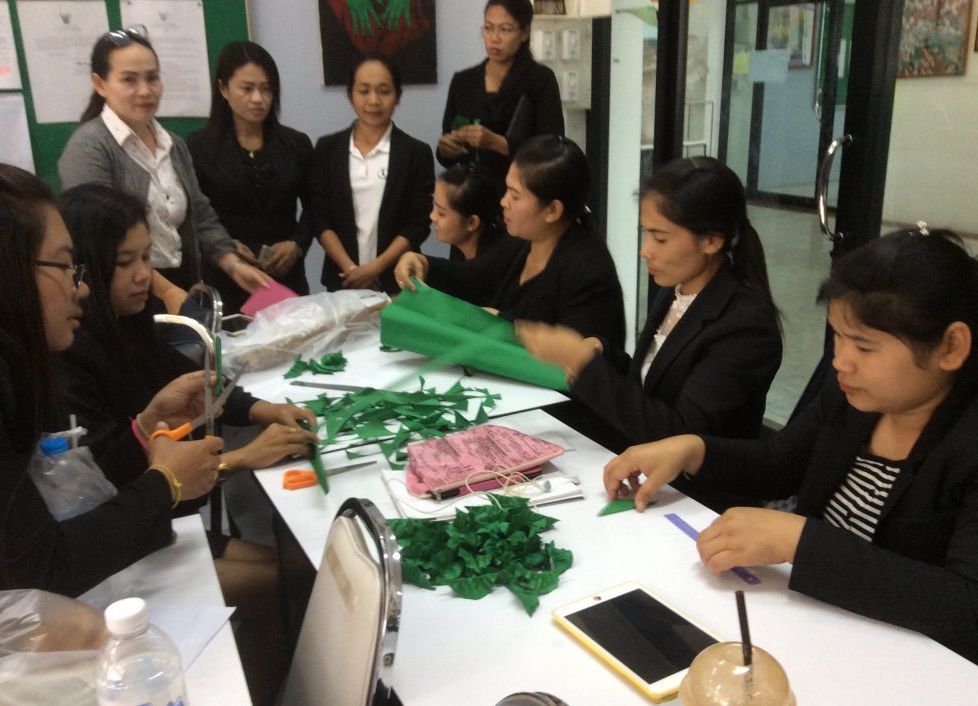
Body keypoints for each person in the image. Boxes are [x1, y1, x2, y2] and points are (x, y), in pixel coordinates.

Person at [604, 227, 978, 663]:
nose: (840, 361)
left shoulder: (965, 441)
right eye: (837, 336)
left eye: (864, 347)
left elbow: (965, 606)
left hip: (905, 665)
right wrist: (691, 450)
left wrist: (800, 541)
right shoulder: (855, 396)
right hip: (811, 629)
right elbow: (780, 463)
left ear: (951, 347)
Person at [58, 183, 317, 706]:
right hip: (118, 548)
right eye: (124, 262)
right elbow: (121, 478)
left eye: (146, 258)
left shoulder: (133, 323)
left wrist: (264, 410)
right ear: (83, 268)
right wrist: (241, 459)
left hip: (150, 522)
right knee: (276, 580)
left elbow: (195, 386)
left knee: (284, 569)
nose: (142, 275)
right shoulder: (73, 354)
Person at [0, 160, 222, 607]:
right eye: (64, 266)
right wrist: (167, 484)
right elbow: (39, 567)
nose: (80, 288)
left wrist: (144, 429)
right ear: (2, 271)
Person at [518, 157, 782, 507]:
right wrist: (603, 353)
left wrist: (585, 366)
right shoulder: (677, 288)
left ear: (711, 241)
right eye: (646, 233)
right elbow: (653, 383)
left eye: (660, 238)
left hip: (698, 500)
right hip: (642, 474)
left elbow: (676, 434)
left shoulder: (746, 326)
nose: (645, 251)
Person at [58, 27, 270, 314]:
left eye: (152, 78)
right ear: (100, 84)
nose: (145, 91)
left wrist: (233, 265)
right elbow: (99, 238)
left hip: (181, 283)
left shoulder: (173, 144)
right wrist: (166, 291)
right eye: (129, 80)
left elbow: (200, 215)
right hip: (124, 296)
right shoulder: (90, 146)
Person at [395, 135, 625, 347]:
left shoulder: (588, 271)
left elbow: (574, 355)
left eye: (515, 196)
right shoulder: (523, 243)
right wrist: (422, 263)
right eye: (506, 190)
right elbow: (468, 277)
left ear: (553, 210)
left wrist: (504, 326)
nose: (504, 202)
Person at [188, 41, 314, 312]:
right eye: (247, 88)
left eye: (266, 89)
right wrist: (226, 247)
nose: (258, 98)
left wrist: (296, 244)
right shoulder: (199, 147)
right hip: (229, 278)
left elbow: (317, 206)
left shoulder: (296, 144)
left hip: (285, 275)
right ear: (223, 89)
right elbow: (195, 216)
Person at [312, 53, 434, 293]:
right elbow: (319, 216)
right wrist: (351, 269)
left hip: (398, 278)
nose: (374, 100)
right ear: (350, 95)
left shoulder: (416, 153)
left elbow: (418, 223)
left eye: (384, 91)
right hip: (342, 278)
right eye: (364, 90)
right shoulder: (327, 149)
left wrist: (374, 269)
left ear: (398, 96)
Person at [437, 0, 564, 190]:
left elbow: (553, 149)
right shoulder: (463, 81)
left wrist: (498, 143)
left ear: (525, 32)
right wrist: (445, 150)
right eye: (488, 28)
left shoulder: (540, 79)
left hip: (522, 191)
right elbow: (447, 151)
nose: (494, 38)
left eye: (505, 29)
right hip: (472, 194)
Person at [431, 164, 507, 261]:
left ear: (472, 222)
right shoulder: (459, 246)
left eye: (441, 214)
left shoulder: (496, 261)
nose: (432, 216)